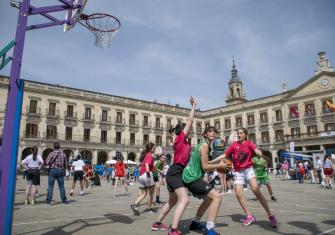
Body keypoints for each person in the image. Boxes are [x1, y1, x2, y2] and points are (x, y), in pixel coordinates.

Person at [210, 127, 278, 228]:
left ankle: (270, 215)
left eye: (241, 133)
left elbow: (256, 151)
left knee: (256, 189)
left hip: (248, 169)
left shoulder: (249, 143)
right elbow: (224, 155)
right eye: (238, 133)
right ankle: (249, 215)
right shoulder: (234, 145)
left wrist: (259, 153)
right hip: (238, 172)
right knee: (238, 193)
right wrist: (211, 161)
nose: (239, 135)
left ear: (245, 135)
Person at [151, 96, 196, 234]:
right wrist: (193, 106)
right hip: (175, 172)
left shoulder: (186, 143)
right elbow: (189, 120)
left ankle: (157, 223)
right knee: (185, 200)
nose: (191, 129)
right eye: (188, 129)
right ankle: (174, 229)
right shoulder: (181, 138)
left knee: (172, 201)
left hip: (176, 172)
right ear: (183, 131)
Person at [182, 126, 229, 235]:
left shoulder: (205, 145)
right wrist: (220, 165)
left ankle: (195, 223)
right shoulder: (204, 146)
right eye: (210, 131)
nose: (213, 133)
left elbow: (205, 164)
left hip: (190, 177)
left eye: (214, 132)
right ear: (205, 134)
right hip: (191, 178)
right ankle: (209, 229)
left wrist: (217, 165)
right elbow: (205, 167)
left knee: (208, 199)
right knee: (217, 197)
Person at [131, 143, 156, 215]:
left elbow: (151, 166)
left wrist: (158, 170)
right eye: (154, 148)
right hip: (147, 174)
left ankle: (134, 205)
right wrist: (148, 175)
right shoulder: (149, 155)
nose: (154, 150)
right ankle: (148, 209)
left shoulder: (146, 155)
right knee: (151, 193)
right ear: (151, 149)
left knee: (143, 193)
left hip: (141, 175)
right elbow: (147, 164)